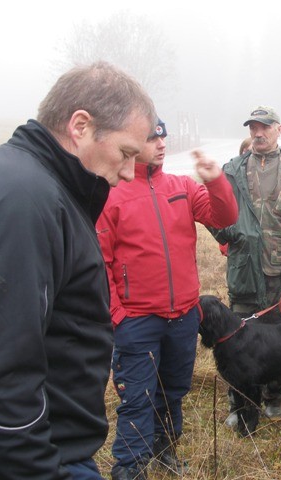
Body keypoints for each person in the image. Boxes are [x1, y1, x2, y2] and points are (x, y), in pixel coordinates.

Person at [0, 62, 156, 479]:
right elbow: (0, 376)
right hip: (41, 457)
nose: (130, 172)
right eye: (126, 153)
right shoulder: (25, 200)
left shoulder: (45, 189)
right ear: (80, 126)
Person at [97, 120, 238, 479]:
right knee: (137, 398)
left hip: (183, 317)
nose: (161, 144)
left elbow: (225, 217)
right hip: (137, 321)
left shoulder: (181, 187)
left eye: (163, 137)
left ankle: (165, 451)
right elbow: (101, 262)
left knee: (173, 391)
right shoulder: (112, 194)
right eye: (151, 138)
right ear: (130, 144)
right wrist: (118, 316)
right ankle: (130, 468)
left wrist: (215, 180)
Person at [209, 105, 281, 426]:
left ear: (278, 129)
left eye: (264, 127)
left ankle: (275, 398)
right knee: (237, 343)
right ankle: (242, 404)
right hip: (246, 272)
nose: (258, 133)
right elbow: (214, 214)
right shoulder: (231, 171)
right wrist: (226, 231)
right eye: (253, 128)